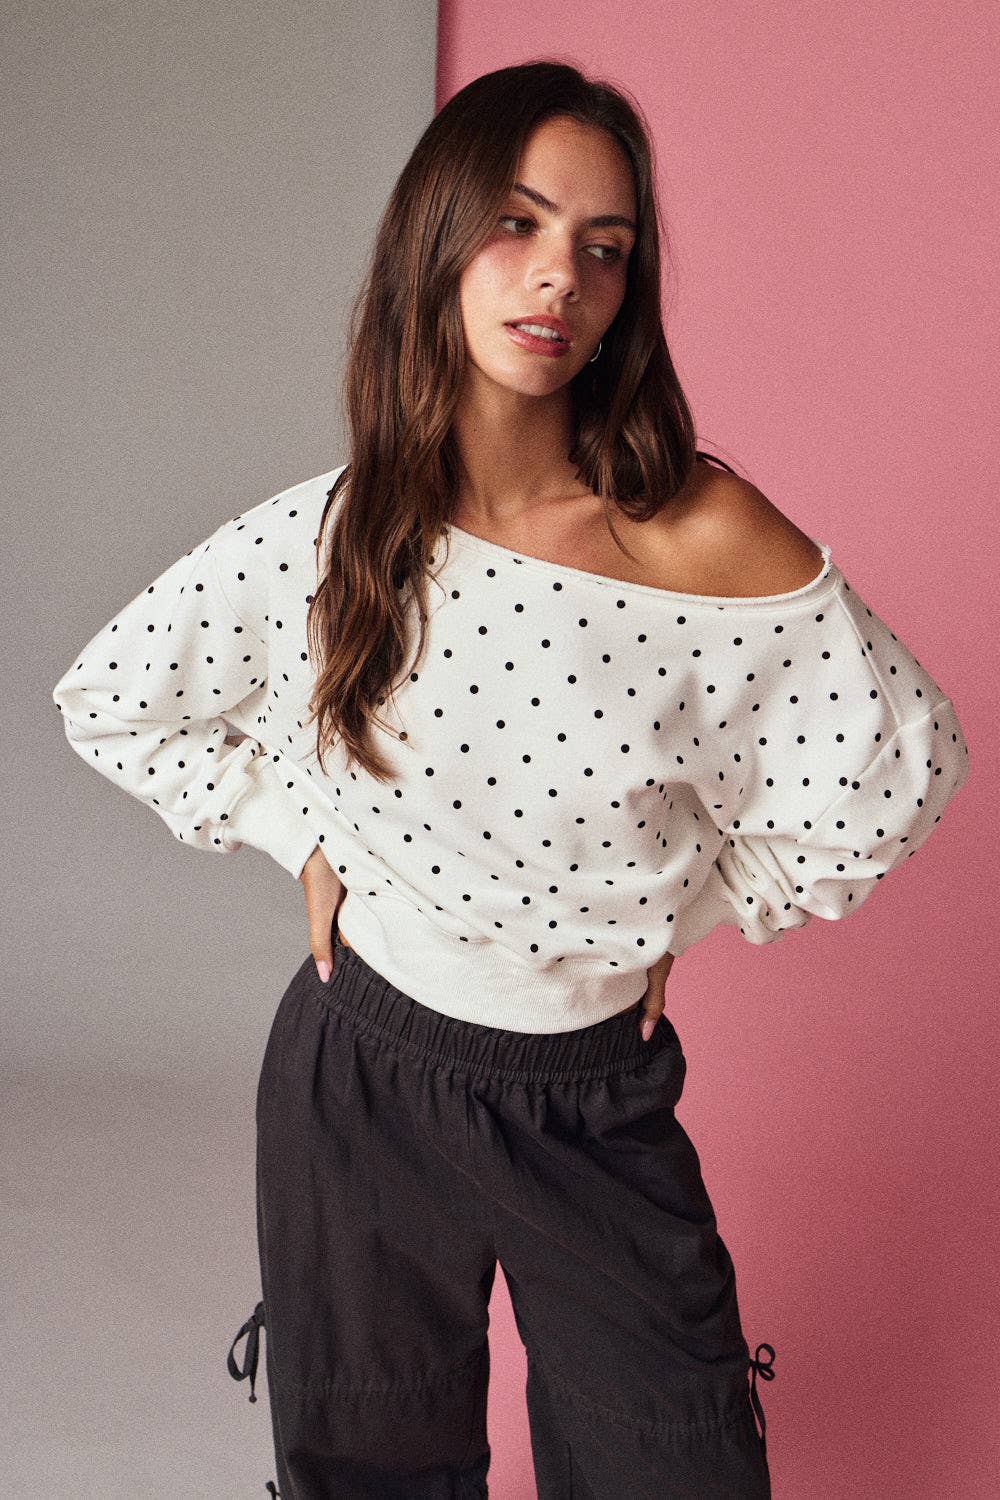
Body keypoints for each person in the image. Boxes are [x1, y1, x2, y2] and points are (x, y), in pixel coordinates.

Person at [51, 59, 970, 1500]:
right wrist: (301, 835)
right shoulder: (343, 531)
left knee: (671, 1464)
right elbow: (113, 699)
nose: (561, 279)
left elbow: (899, 767)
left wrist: (691, 911)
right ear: (436, 238)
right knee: (366, 1468)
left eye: (606, 248)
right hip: (356, 1073)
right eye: (518, 224)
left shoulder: (692, 531)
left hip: (588, 1098)